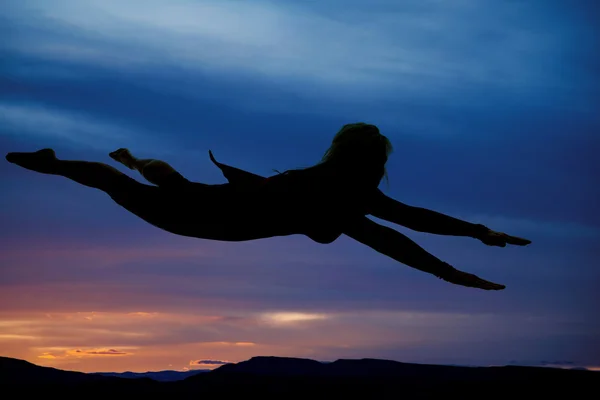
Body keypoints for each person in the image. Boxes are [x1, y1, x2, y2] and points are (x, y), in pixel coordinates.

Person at [5, 123, 530, 291]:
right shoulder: (340, 200)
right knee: (115, 182)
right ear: (372, 160)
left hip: (207, 206)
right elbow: (398, 235)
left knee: (165, 180)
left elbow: (408, 223)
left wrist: (478, 234)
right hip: (202, 218)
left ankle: (134, 159)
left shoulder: (337, 189)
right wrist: (456, 270)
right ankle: (59, 162)